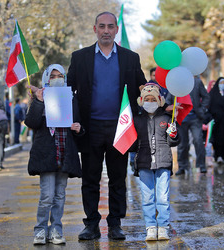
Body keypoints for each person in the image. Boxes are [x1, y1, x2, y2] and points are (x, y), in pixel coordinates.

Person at [67, 11, 147, 240]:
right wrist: (47, 94)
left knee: (117, 177)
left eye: (110, 26)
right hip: (90, 128)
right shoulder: (80, 57)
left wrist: (160, 95)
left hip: (120, 128)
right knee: (90, 178)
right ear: (94, 29)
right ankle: (91, 224)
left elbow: (143, 89)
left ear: (116, 30)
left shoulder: (130, 58)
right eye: (101, 26)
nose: (106, 30)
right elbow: (67, 89)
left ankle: (115, 224)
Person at [25, 64, 83, 245]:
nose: (57, 79)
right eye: (53, 76)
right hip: (47, 154)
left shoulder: (71, 98)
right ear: (46, 78)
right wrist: (38, 101)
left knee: (59, 195)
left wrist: (78, 128)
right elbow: (31, 123)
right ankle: (40, 230)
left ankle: (56, 229)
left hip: (65, 152)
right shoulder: (41, 96)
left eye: (60, 76)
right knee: (47, 196)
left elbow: (78, 123)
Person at [133, 83, 179, 241]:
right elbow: (133, 144)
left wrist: (173, 134)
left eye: (153, 99)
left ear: (159, 100)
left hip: (163, 162)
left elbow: (173, 141)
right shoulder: (137, 120)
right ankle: (151, 227)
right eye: (147, 99)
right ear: (142, 100)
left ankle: (163, 227)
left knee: (163, 197)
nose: (150, 102)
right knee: (147, 197)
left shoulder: (166, 118)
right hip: (144, 163)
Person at [167, 76, 210, 175]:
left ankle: (201, 165)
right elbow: (168, 100)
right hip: (181, 119)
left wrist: (202, 109)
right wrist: (172, 111)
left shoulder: (197, 82)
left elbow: (206, 97)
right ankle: (182, 166)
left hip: (195, 118)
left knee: (198, 140)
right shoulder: (175, 83)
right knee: (182, 143)